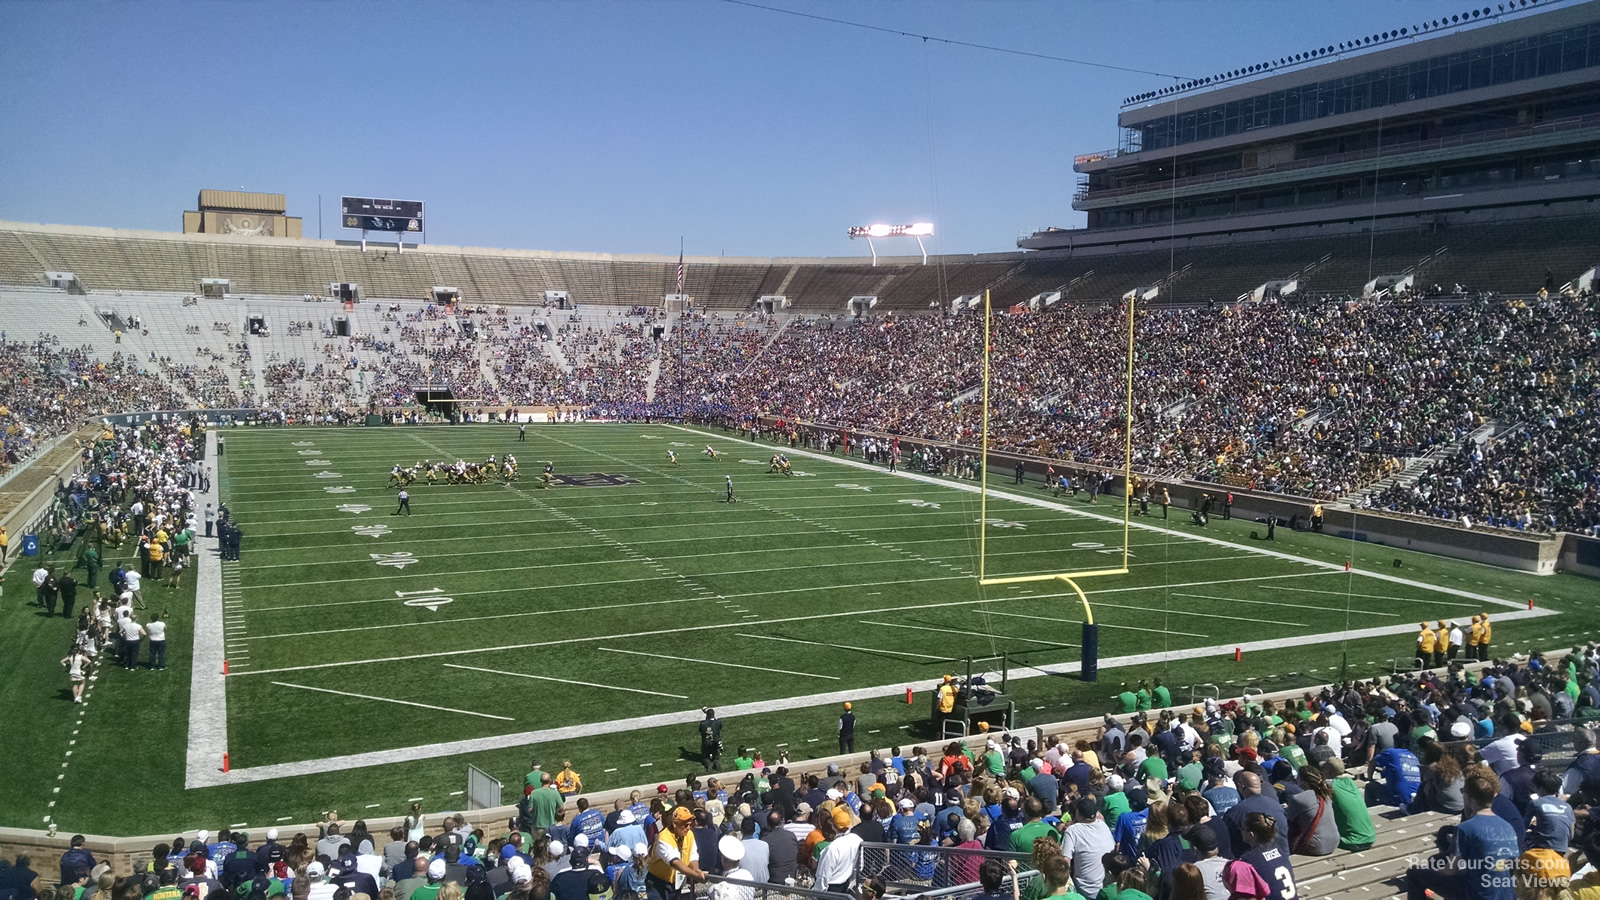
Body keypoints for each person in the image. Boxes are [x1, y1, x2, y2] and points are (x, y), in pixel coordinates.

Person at [1405, 765, 1518, 900]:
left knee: (1414, 873)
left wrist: (1433, 873)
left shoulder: (1466, 828)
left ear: (1469, 797)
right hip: (1507, 894)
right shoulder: (1507, 827)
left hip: (1476, 895)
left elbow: (1450, 871)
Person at [646, 806, 704, 900]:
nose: (688, 828)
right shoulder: (664, 838)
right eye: (685, 825)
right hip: (657, 884)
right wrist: (695, 875)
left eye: (690, 824)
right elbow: (675, 862)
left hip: (676, 883)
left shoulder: (689, 834)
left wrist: (696, 869)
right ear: (675, 824)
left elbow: (693, 856)